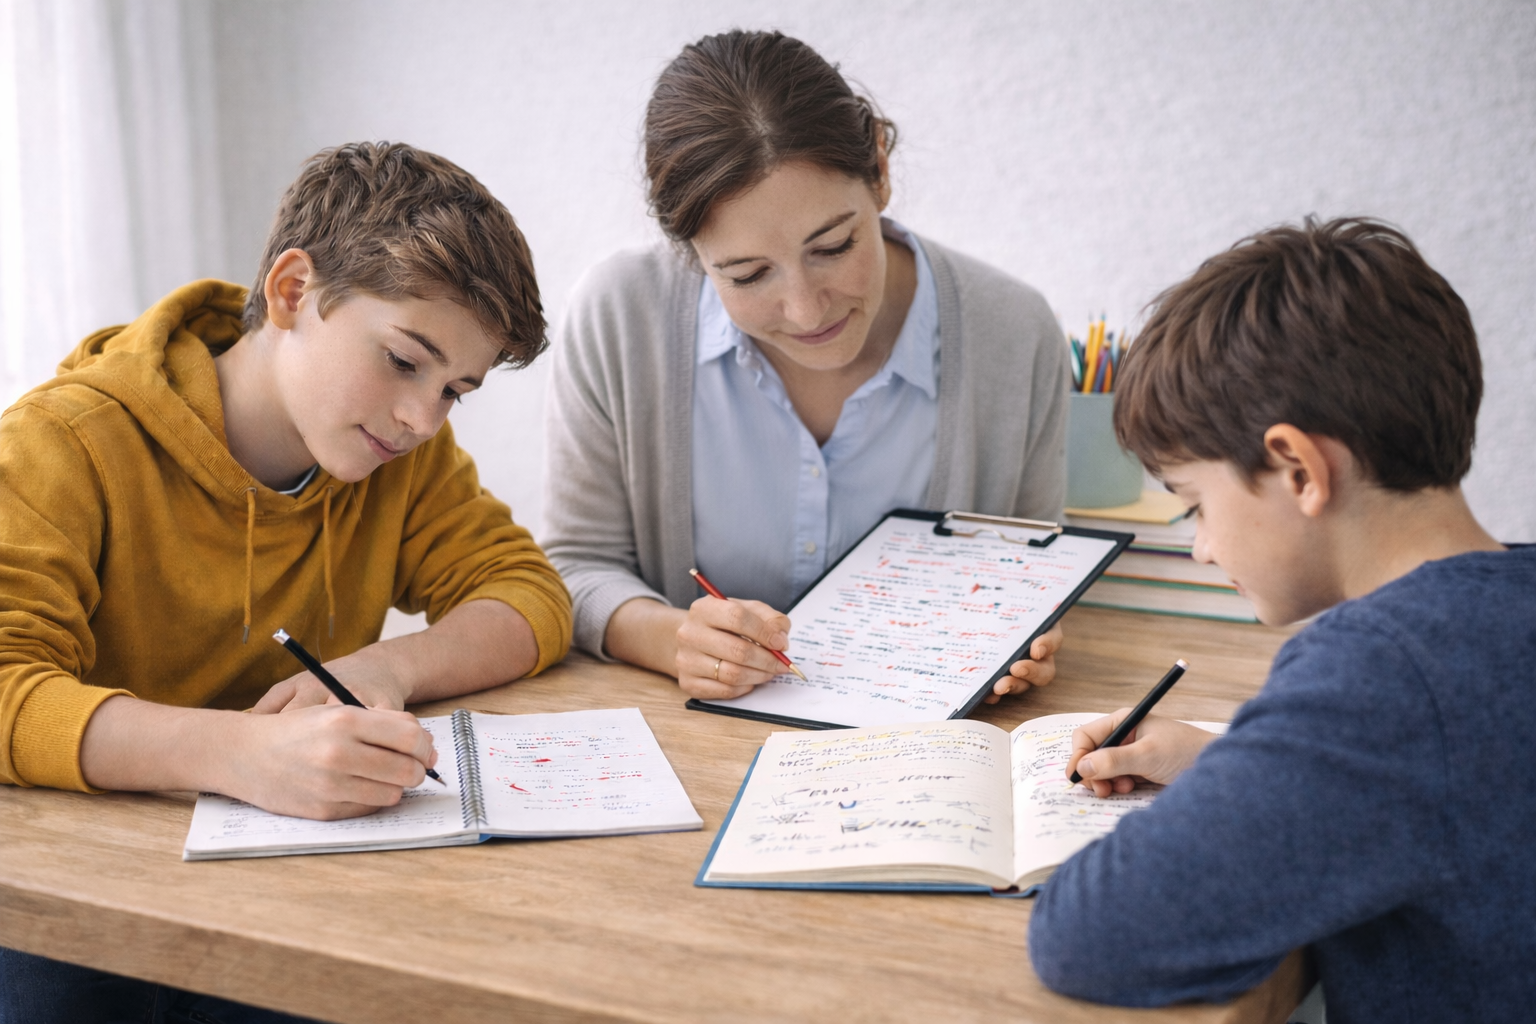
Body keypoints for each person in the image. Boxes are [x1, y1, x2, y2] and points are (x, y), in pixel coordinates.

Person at [0, 142, 571, 1022]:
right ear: (293, 291)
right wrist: (238, 755)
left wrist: (389, 669)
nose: (423, 417)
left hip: (272, 873)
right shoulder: (63, 442)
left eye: (457, 389)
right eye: (404, 360)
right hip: (64, 892)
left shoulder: (393, 454)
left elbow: (527, 592)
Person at [1027, 217, 1534, 1022]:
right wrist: (1233, 762)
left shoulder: (1384, 673)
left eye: (1196, 505)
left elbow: (1088, 935)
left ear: (1298, 468)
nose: (1198, 549)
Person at [543, 30, 1071, 700]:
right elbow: (576, 566)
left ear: (879, 169)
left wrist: (1028, 637)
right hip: (689, 737)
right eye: (746, 274)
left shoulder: (1014, 334)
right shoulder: (619, 315)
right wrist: (674, 638)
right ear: (690, 254)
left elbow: (1028, 580)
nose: (804, 309)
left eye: (833, 246)